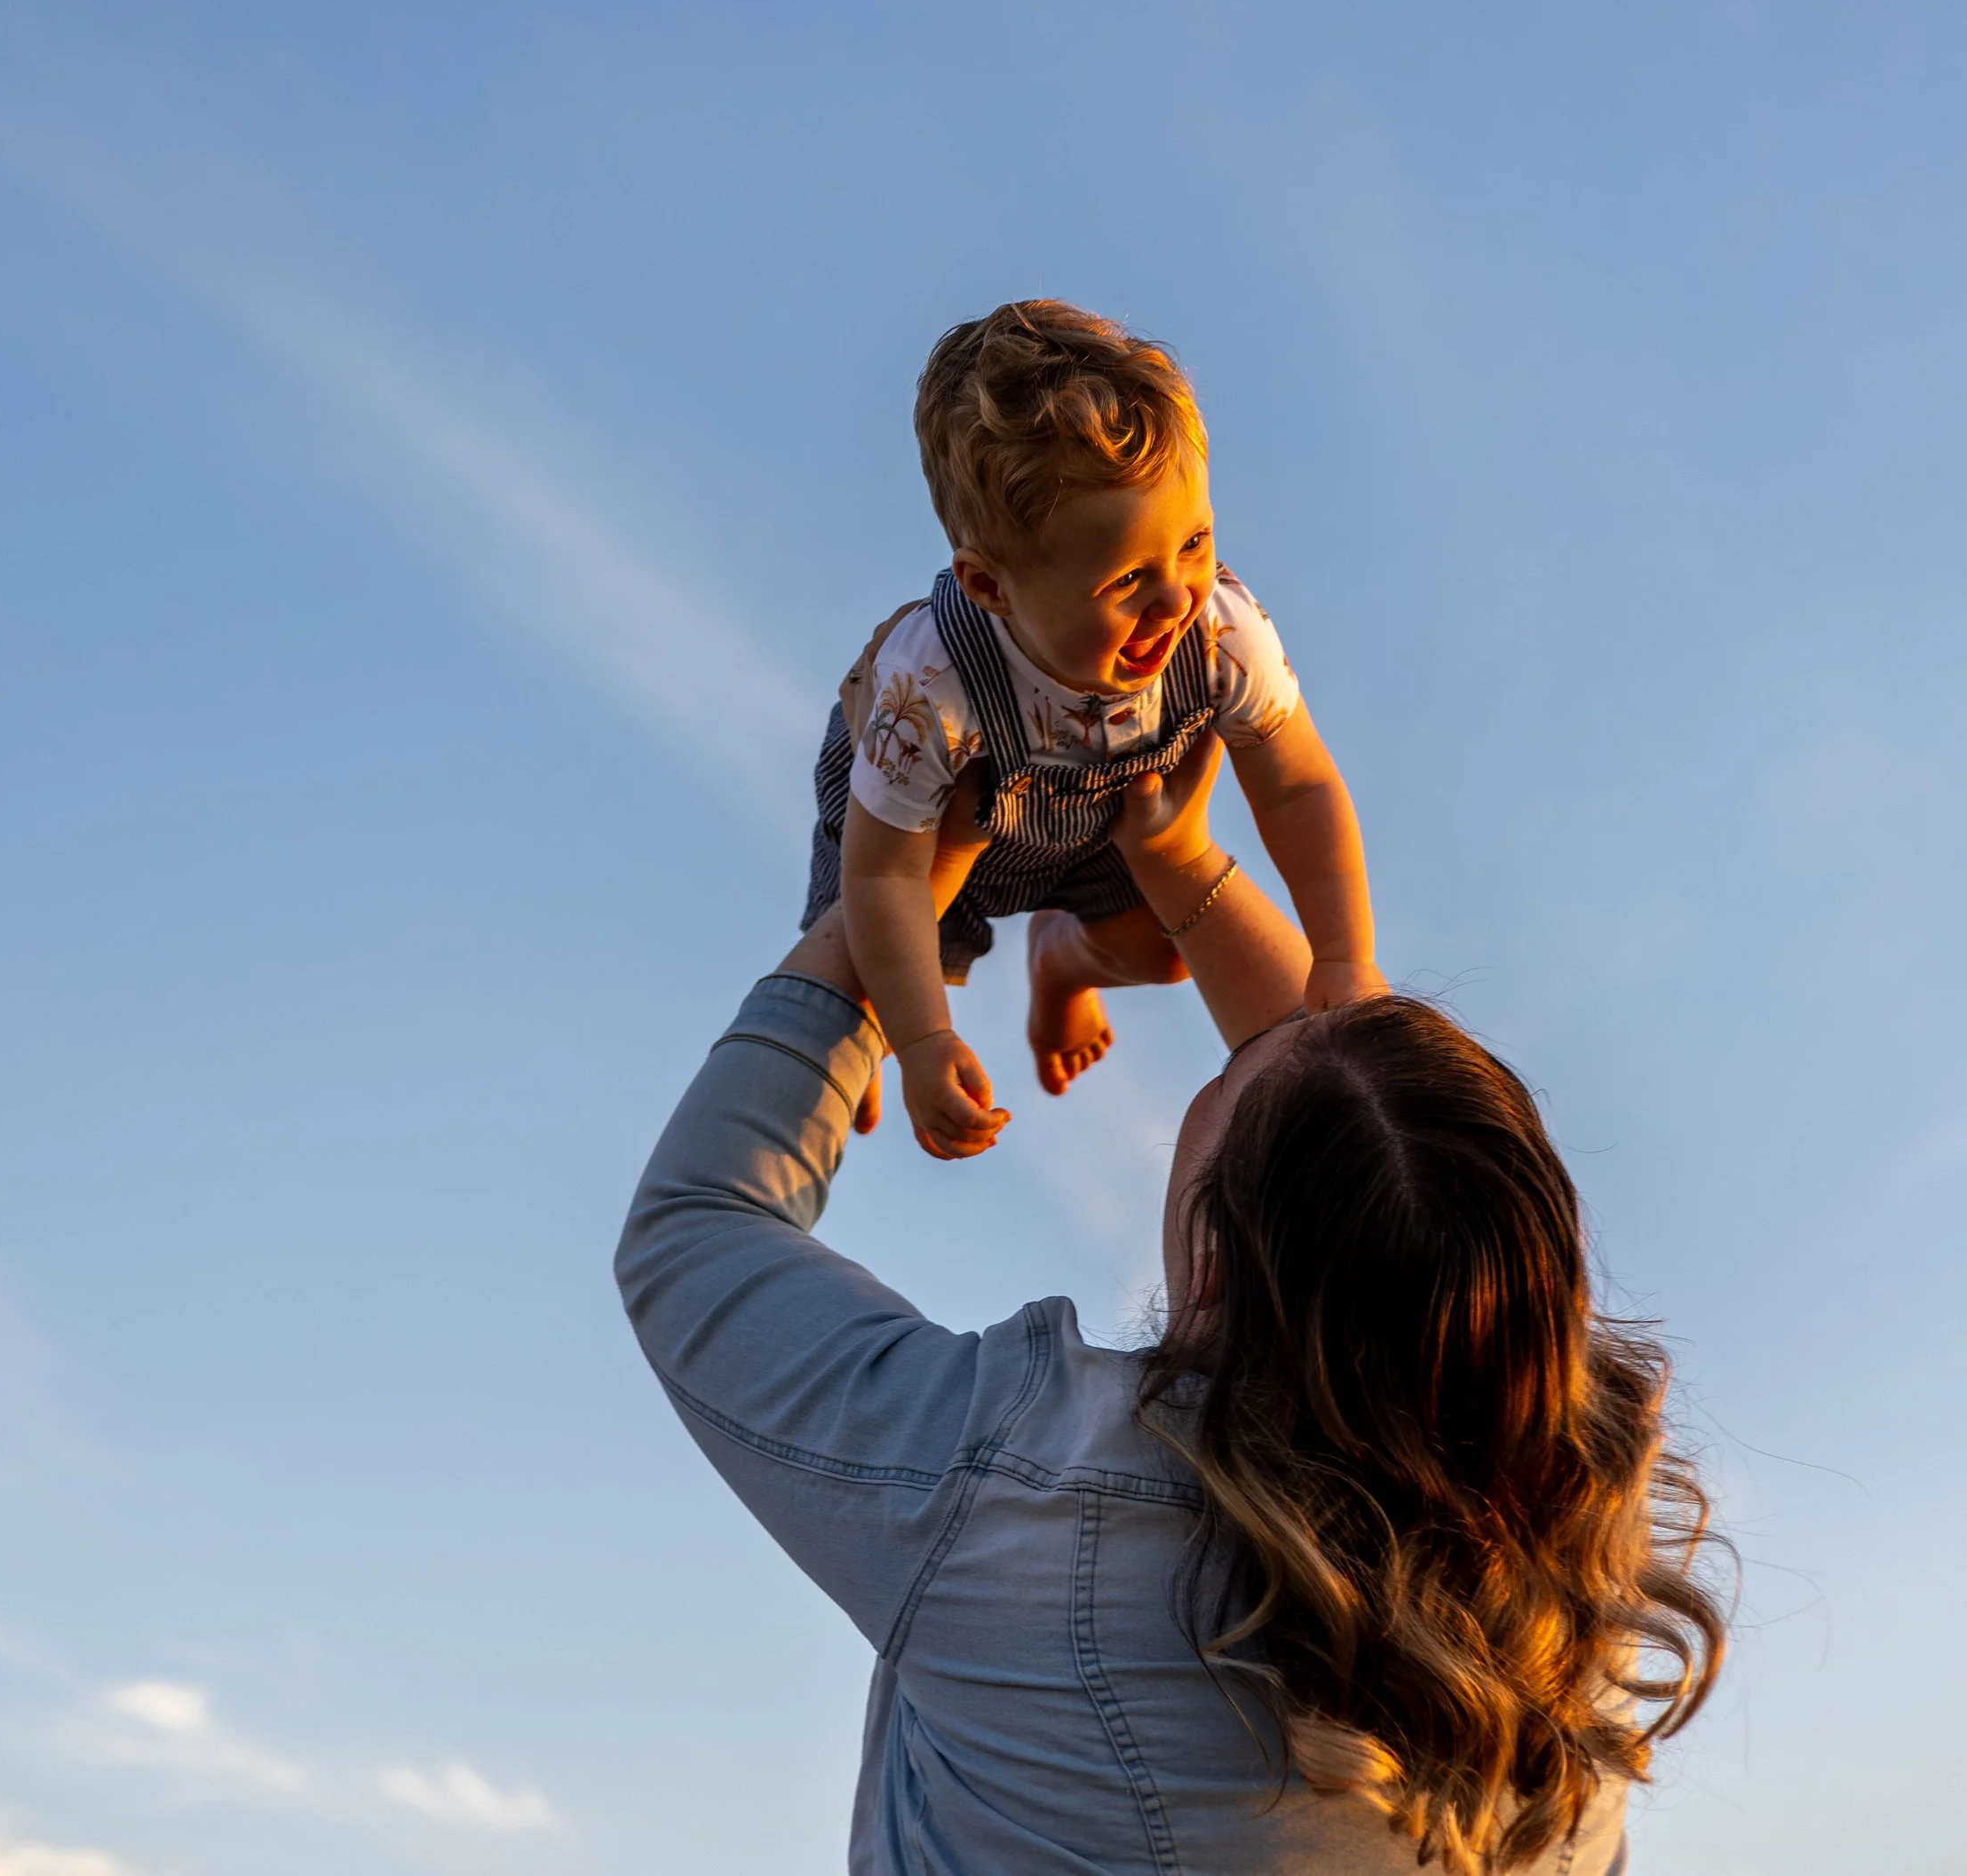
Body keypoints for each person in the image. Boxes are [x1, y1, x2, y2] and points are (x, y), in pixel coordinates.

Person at [620, 739, 1725, 1876]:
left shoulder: (1009, 1496)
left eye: (1220, 1086)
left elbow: (697, 1223)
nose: (1249, 1040)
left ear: (1208, 1271)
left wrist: (895, 889)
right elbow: (1345, 1102)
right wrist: (1179, 859)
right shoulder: (1568, 1617)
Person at [805, 299, 1384, 1156]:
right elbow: (884, 877)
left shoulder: (1221, 632)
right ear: (989, 587)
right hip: (916, 839)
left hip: (1096, 823)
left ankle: (1063, 961)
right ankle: (856, 1048)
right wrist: (922, 1039)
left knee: (1170, 950)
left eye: (1194, 542)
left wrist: (1343, 953)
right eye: (1126, 582)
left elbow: (1300, 786)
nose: (1176, 595)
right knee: (847, 1000)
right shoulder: (927, 686)